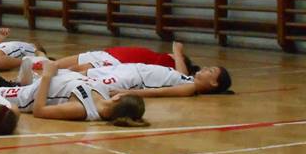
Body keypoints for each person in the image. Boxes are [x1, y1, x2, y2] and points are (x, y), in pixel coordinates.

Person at [0, 63, 149, 125]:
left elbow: (39, 111)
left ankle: (18, 85)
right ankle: (24, 80)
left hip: (31, 94)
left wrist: (47, 76)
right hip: (52, 79)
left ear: (119, 98)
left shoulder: (82, 109)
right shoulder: (104, 92)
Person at [82, 62, 231, 97]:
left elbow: (159, 92)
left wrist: (127, 92)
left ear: (213, 83)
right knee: (78, 74)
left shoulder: (191, 88)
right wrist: (177, 52)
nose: (205, 68)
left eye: (210, 71)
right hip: (131, 68)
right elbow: (180, 72)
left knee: (84, 83)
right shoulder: (187, 79)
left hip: (134, 78)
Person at [52, 41, 196, 75]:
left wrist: (178, 53)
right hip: (105, 53)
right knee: (55, 65)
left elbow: (183, 77)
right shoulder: (161, 57)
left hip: (116, 63)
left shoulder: (170, 63)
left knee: (73, 71)